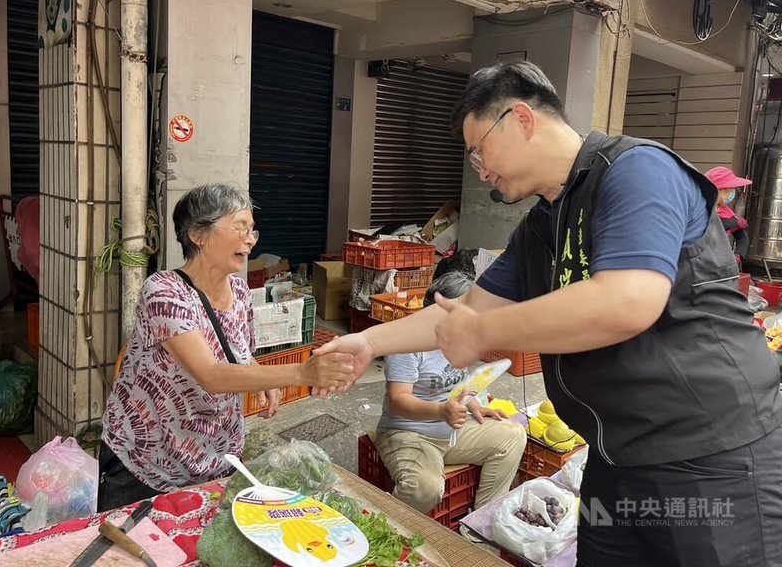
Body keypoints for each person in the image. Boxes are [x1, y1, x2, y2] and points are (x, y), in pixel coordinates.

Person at [317, 62, 782, 566]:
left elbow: (628, 300)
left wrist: (482, 330)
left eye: (478, 150)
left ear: (521, 119)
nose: (480, 169)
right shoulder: (541, 226)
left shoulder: (635, 170)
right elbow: (464, 312)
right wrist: (370, 344)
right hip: (614, 458)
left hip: (711, 456)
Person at [98, 183, 354, 511]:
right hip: (147, 461)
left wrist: (263, 376)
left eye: (252, 230)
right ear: (198, 235)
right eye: (239, 228)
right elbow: (211, 374)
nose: (249, 239)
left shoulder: (240, 290)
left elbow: (240, 354)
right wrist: (302, 372)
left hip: (216, 458)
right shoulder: (163, 292)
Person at [375, 272, 526, 514]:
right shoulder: (406, 344)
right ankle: (389, 528)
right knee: (425, 488)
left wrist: (474, 403)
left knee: (513, 435)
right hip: (408, 434)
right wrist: (441, 411)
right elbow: (398, 400)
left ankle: (479, 526)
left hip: (451, 431)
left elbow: (459, 383)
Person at [705, 166, 752, 265]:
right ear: (714, 190)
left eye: (732, 190)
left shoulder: (727, 212)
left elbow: (742, 236)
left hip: (719, 264)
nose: (731, 193)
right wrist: (735, 221)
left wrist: (738, 256)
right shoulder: (702, 207)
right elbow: (715, 225)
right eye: (727, 191)